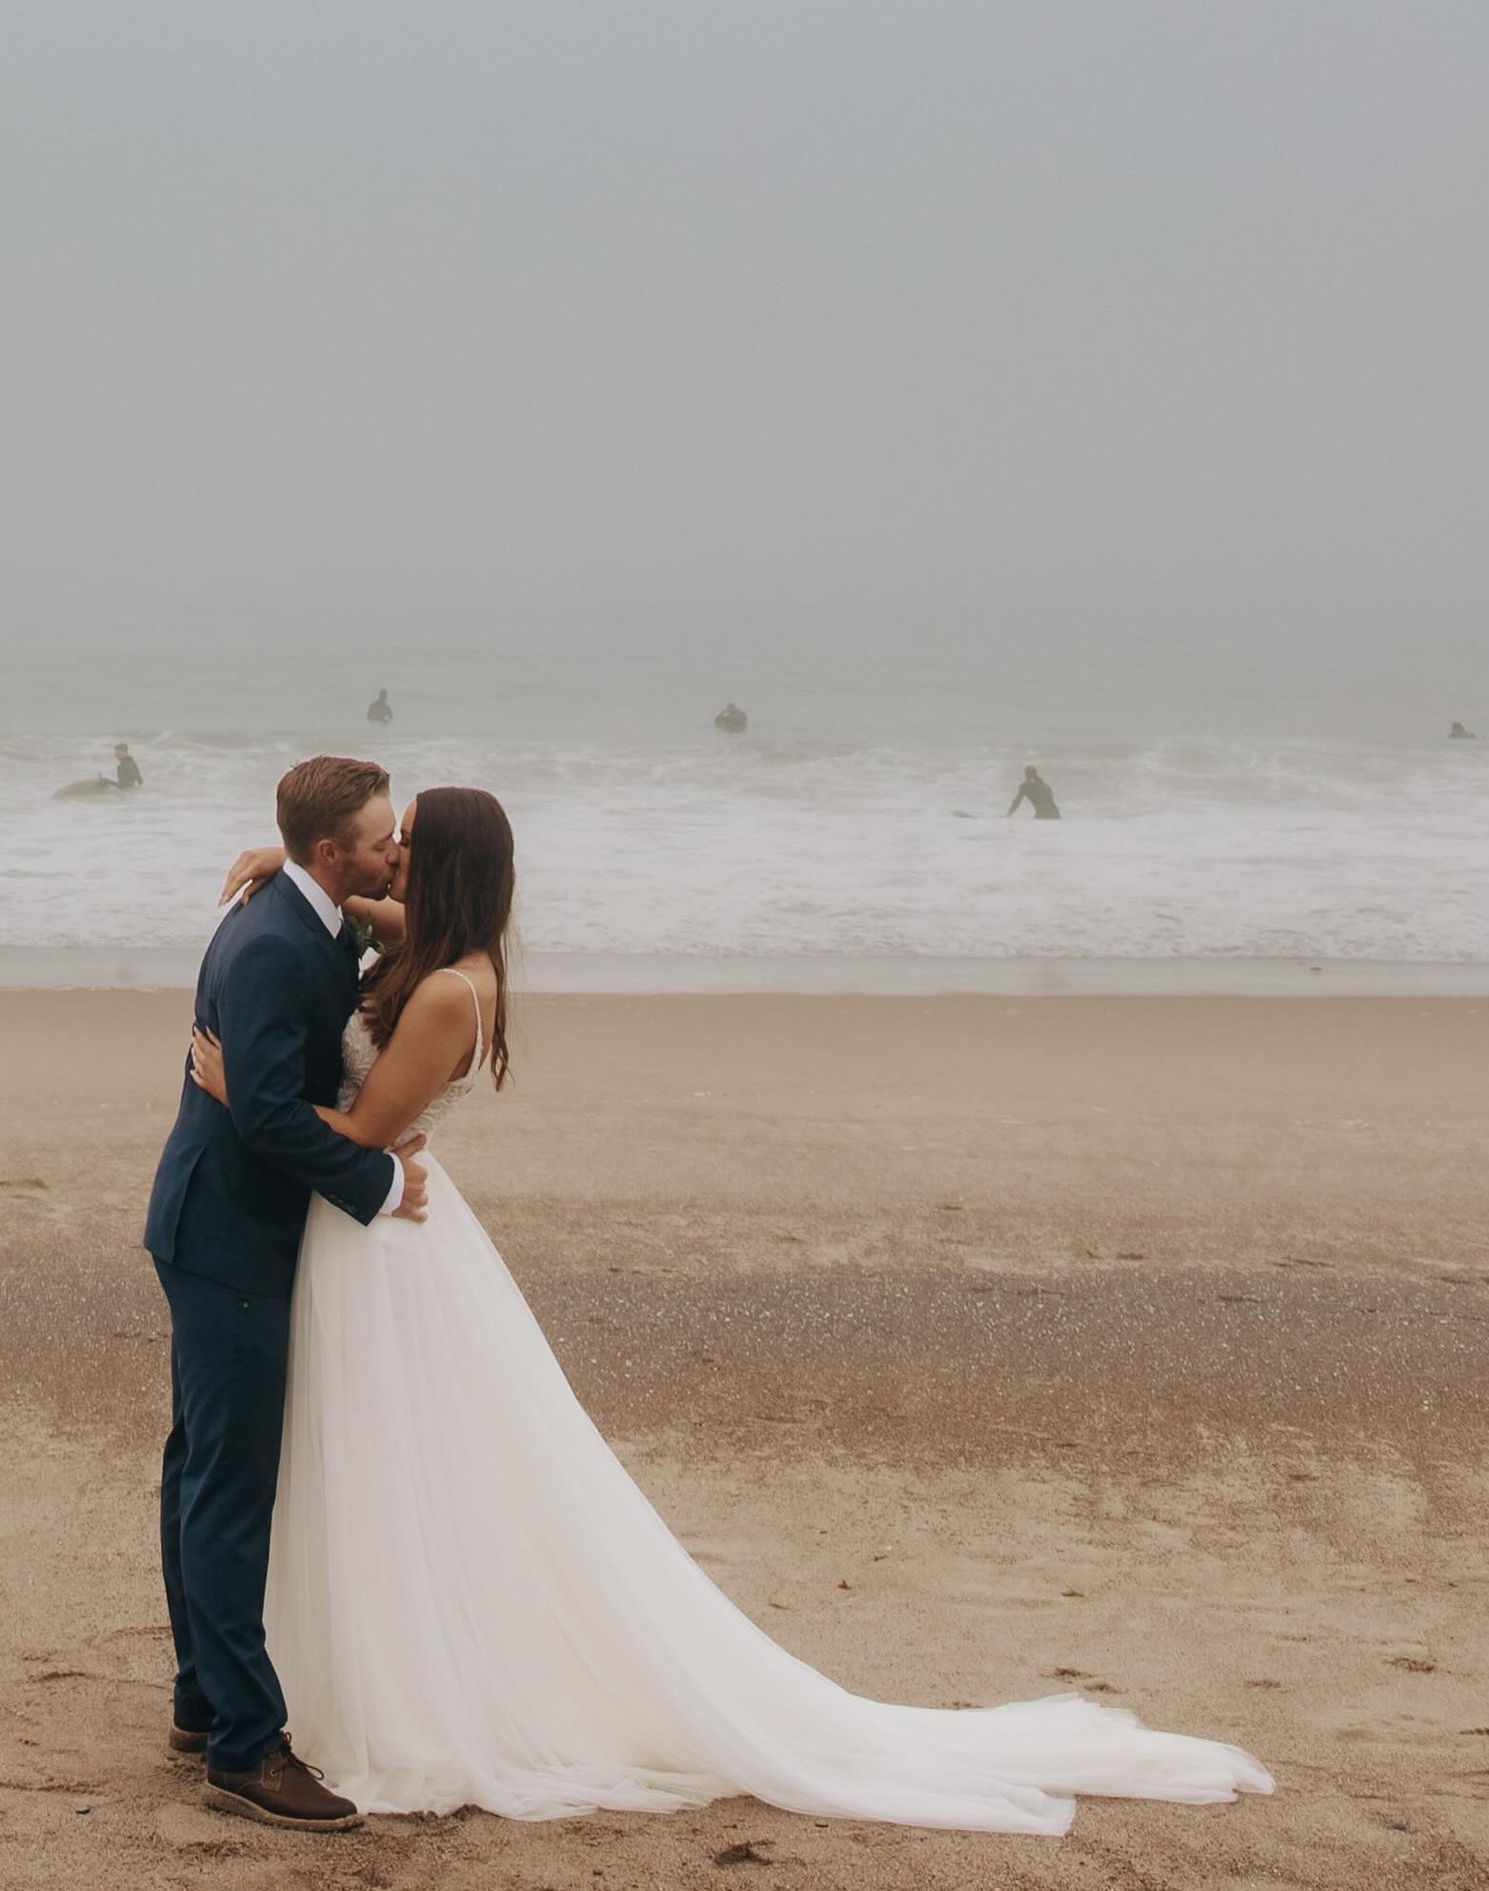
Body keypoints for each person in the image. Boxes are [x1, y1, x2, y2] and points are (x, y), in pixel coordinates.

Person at [185, 787, 1270, 1834]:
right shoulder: (434, 942)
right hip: (359, 1238)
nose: (394, 856)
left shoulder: (446, 991)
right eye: (386, 840)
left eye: (410, 840)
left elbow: (369, 1130)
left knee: (402, 1466)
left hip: (384, 1235)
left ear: (448, 863)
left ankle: (396, 1685)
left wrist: (247, 1096)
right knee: (360, 1462)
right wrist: (287, 868)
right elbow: (366, 906)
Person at [142, 757, 431, 1834]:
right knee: (226, 1487)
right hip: (227, 1240)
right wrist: (383, 1179)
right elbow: (265, 1116)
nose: (393, 850)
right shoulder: (273, 941)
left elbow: (395, 914)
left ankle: (199, 1697)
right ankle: (244, 1746)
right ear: (331, 852)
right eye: (376, 837)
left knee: (199, 1469)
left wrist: (293, 866)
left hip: (215, 1226)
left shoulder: (307, 909)